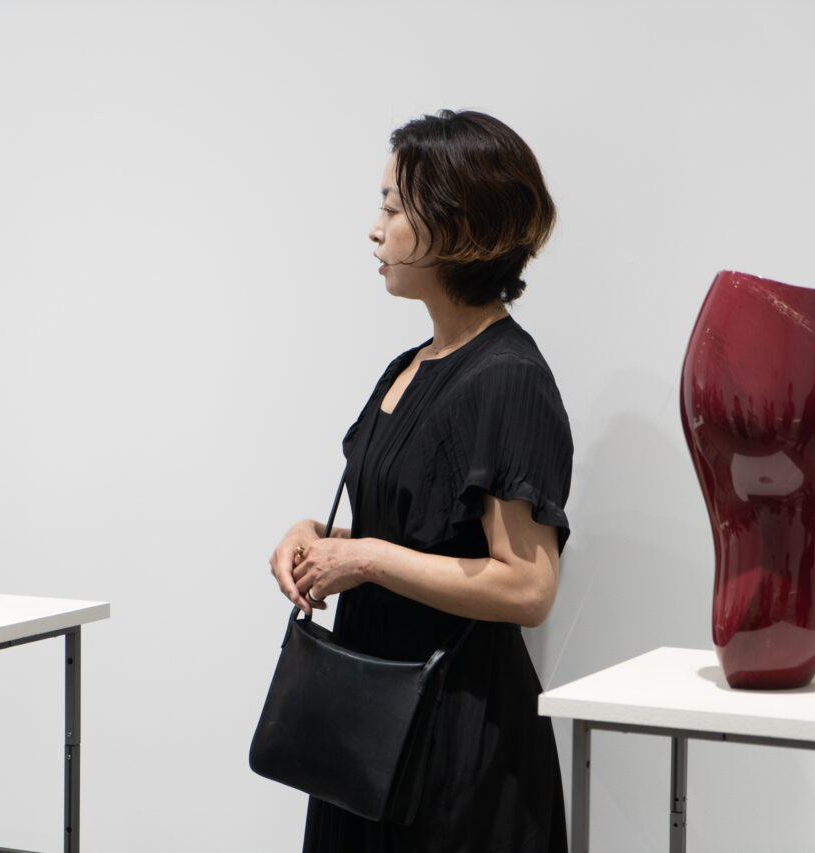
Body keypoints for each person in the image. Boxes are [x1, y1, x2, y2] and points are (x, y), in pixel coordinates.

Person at [268, 109, 572, 853]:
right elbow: (421, 534)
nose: (375, 231)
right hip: (366, 736)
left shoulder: (510, 379)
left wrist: (365, 559)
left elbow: (527, 587)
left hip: (458, 749)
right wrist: (318, 538)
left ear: (457, 225)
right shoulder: (408, 367)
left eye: (393, 208)